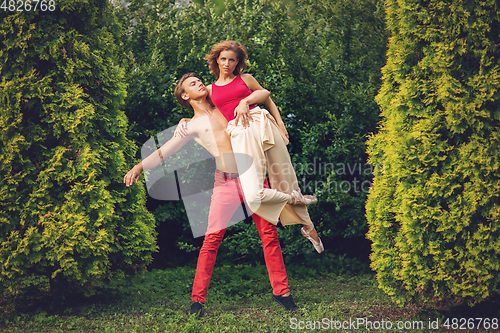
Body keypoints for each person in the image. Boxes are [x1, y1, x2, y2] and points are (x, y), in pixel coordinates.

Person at [124, 73, 314, 316]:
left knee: (269, 235)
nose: (199, 83)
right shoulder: (190, 127)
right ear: (185, 96)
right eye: (192, 84)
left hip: (254, 176)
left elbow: (257, 93)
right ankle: (197, 301)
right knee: (211, 241)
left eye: (199, 80)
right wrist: (139, 166)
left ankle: (282, 292)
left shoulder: (223, 101)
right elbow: (164, 152)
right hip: (225, 183)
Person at [177, 40, 322, 249]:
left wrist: (278, 123)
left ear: (238, 63)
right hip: (242, 136)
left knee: (286, 178)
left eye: (232, 60)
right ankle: (294, 199)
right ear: (216, 60)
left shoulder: (246, 79)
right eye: (223, 59)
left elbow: (266, 96)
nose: (227, 64)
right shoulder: (210, 89)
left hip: (264, 126)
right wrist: (186, 120)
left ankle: (309, 228)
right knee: (255, 195)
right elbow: (201, 108)